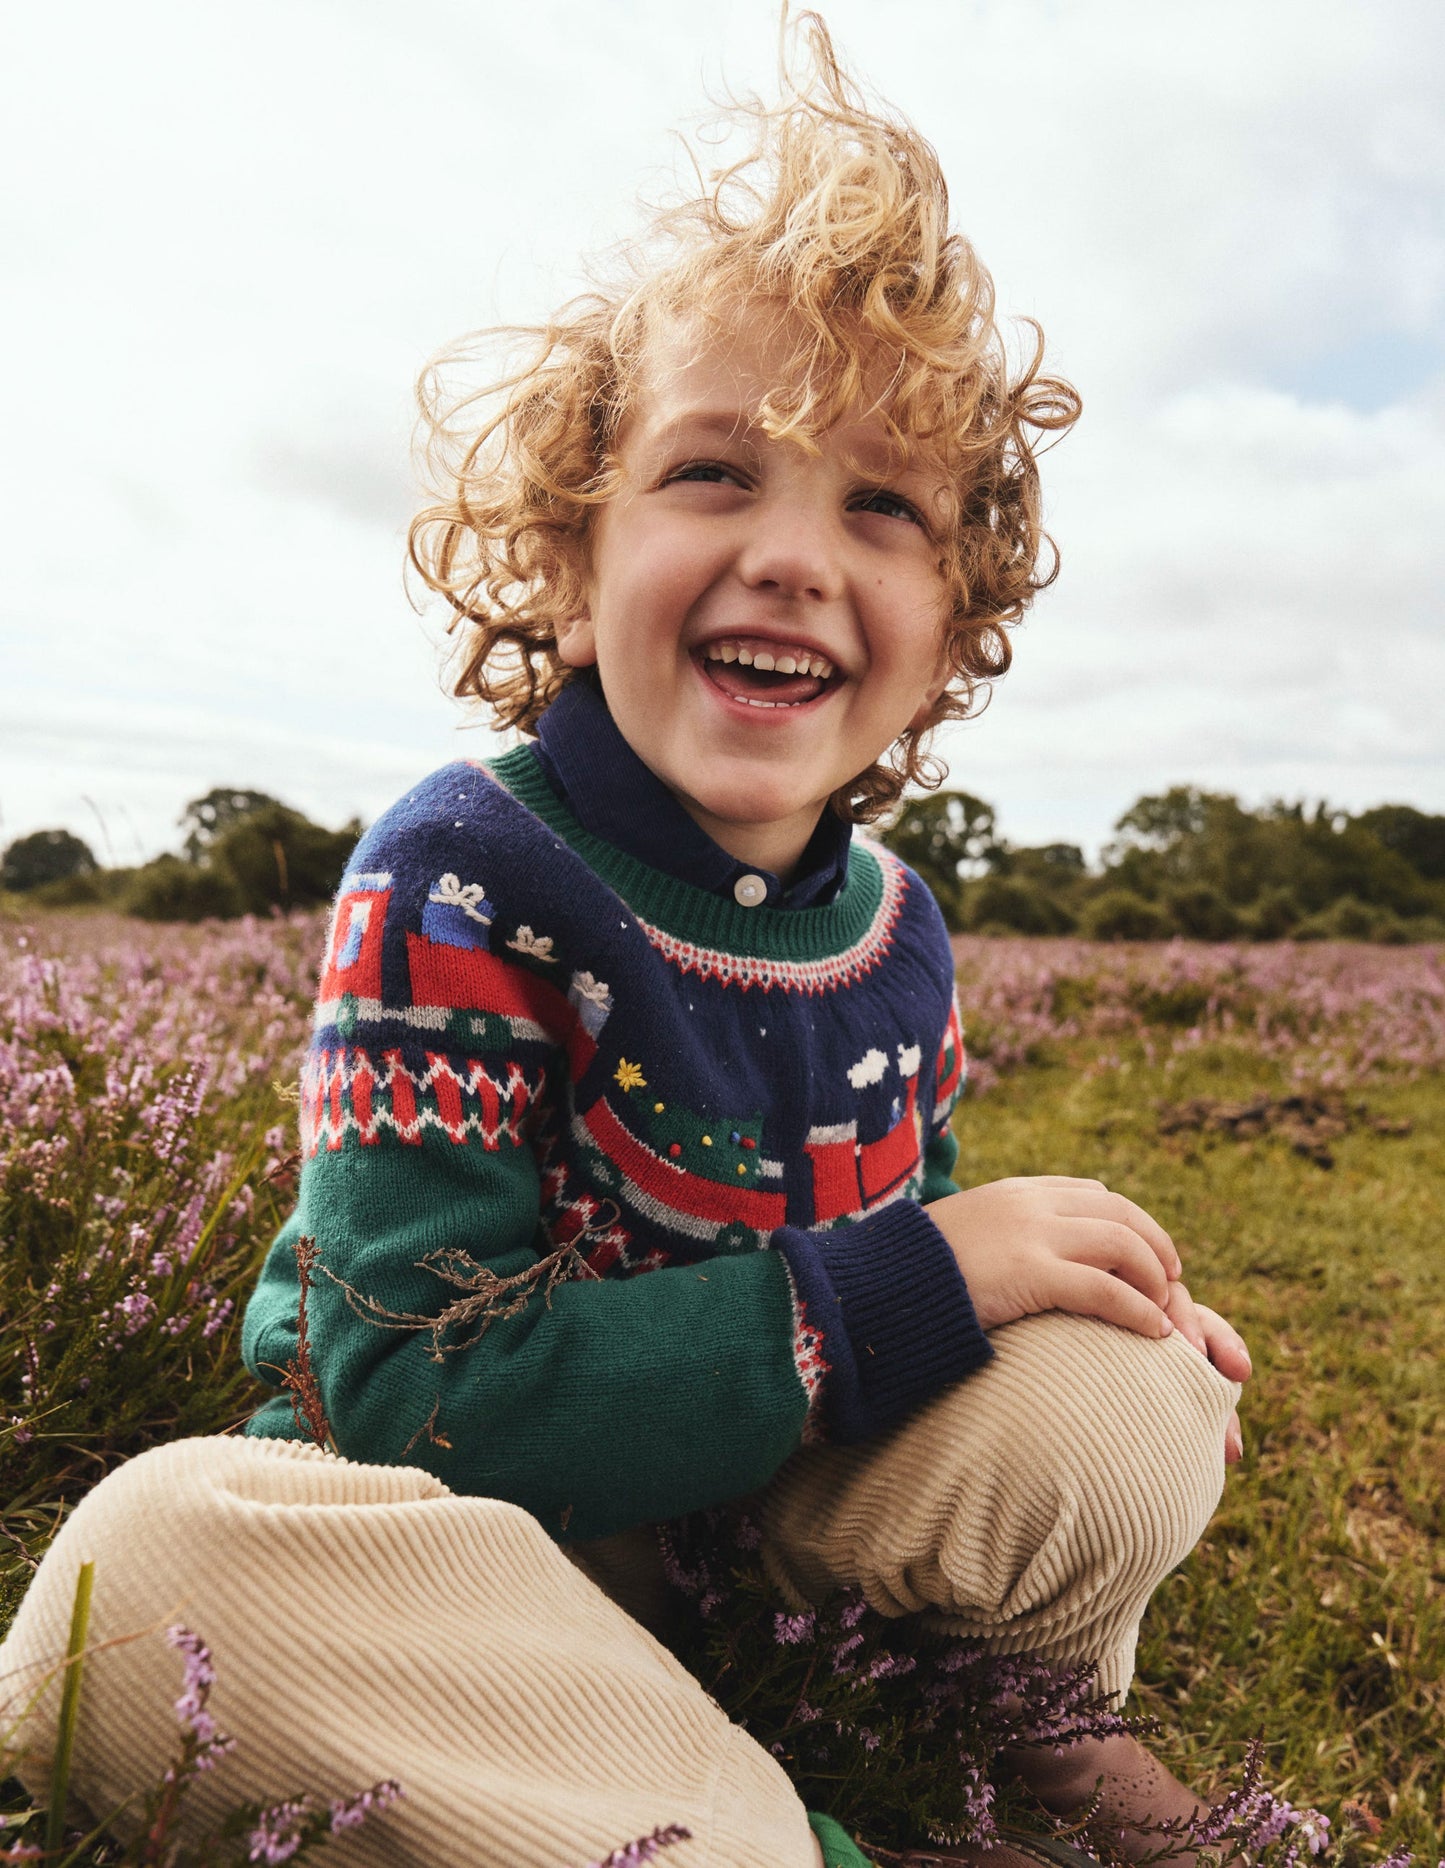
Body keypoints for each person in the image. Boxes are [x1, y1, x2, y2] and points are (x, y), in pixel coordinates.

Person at [0, 16, 1249, 1867]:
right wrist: (907, 1285)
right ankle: (752, 1827)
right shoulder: (462, 872)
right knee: (152, 1561)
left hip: (754, 1521)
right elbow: (416, 1392)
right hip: (462, 1545)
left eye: (881, 507)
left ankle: (1000, 1709)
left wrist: (1041, 1302)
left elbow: (919, 1285)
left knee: (1127, 1380)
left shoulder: (895, 928)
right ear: (575, 556)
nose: (794, 556)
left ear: (945, 620)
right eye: (713, 474)